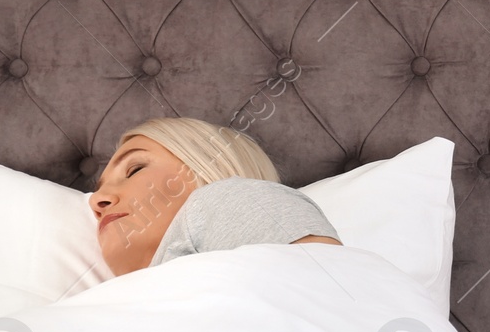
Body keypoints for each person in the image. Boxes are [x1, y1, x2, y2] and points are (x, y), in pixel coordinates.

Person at [88, 117, 341, 276]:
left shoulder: (226, 197)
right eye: (100, 186)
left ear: (208, 170)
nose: (96, 200)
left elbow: (330, 290)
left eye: (134, 169)